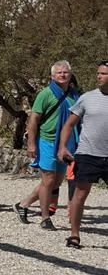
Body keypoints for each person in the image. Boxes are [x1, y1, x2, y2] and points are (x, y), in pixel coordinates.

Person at [15, 61, 79, 229]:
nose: (63, 75)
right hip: (48, 141)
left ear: (70, 75)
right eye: (59, 72)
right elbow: (34, 119)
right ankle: (45, 218)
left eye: (66, 72)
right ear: (52, 76)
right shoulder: (45, 94)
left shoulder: (75, 95)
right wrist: (31, 144)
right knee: (48, 180)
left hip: (65, 144)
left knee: (55, 182)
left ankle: (23, 204)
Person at [58, 60, 108, 249]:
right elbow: (69, 124)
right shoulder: (86, 98)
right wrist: (62, 147)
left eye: (103, 74)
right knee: (80, 194)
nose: (99, 77)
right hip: (88, 154)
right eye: (98, 73)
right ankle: (74, 235)